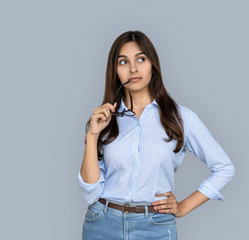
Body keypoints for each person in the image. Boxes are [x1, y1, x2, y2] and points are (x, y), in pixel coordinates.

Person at [77, 30, 235, 240]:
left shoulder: (181, 118)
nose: (133, 68)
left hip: (155, 227)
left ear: (153, 65)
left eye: (141, 59)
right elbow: (90, 193)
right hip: (102, 224)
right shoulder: (105, 120)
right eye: (123, 62)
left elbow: (224, 168)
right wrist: (92, 135)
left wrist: (182, 207)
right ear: (115, 71)